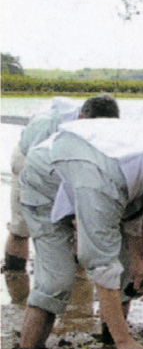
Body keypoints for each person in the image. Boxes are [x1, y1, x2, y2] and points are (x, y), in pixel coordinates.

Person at [14, 119, 143, 349]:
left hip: (95, 174)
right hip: (46, 183)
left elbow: (136, 210)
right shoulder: (102, 181)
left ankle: (110, 345)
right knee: (57, 280)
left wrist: (138, 262)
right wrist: (125, 341)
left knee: (127, 271)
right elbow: (100, 264)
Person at [3, 95, 120, 273]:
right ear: (81, 118)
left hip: (73, 165)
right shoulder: (46, 124)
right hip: (28, 161)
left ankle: (77, 280)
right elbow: (34, 170)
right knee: (22, 226)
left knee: (78, 229)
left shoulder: (104, 130)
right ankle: (15, 275)